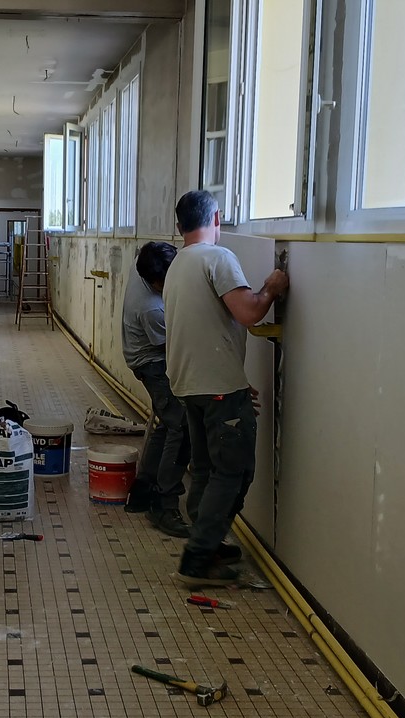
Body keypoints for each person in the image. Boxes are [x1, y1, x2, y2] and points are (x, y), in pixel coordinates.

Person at [163, 190, 289, 586]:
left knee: (205, 468)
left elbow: (200, 328)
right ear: (216, 219)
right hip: (216, 387)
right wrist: (272, 287)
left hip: (191, 385)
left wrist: (232, 381)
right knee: (234, 472)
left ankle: (207, 539)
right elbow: (249, 313)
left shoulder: (178, 264)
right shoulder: (217, 258)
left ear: (180, 226)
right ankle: (198, 558)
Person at [120, 241, 191, 538]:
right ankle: (164, 503)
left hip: (147, 356)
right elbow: (172, 347)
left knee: (168, 422)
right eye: (163, 283)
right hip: (151, 362)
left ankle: (143, 489)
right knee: (182, 427)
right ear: (152, 281)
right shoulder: (151, 309)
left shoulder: (143, 261)